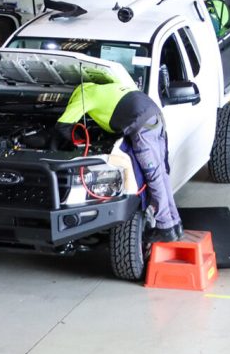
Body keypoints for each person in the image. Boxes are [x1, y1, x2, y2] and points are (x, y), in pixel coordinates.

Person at [55, 79, 183, 242]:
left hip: (142, 127)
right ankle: (175, 223)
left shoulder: (84, 94)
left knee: (153, 177)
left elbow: (62, 126)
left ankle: (165, 227)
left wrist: (76, 141)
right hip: (155, 118)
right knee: (161, 174)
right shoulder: (108, 86)